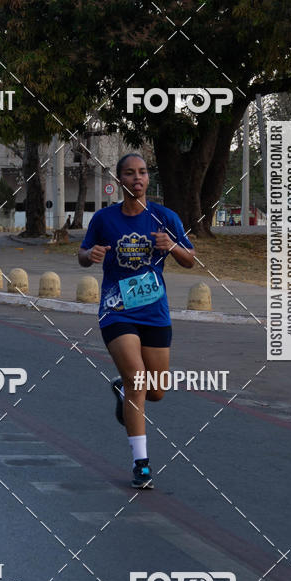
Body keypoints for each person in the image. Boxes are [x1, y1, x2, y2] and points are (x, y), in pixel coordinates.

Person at [79, 154, 194, 488]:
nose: (137, 179)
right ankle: (141, 463)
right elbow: (83, 255)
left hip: (154, 311)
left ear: (147, 178)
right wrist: (91, 255)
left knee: (156, 391)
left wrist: (171, 245)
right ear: (120, 180)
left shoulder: (164, 217)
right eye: (129, 174)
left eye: (142, 173)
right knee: (137, 379)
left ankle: (122, 393)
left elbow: (190, 259)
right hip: (117, 310)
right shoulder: (104, 219)